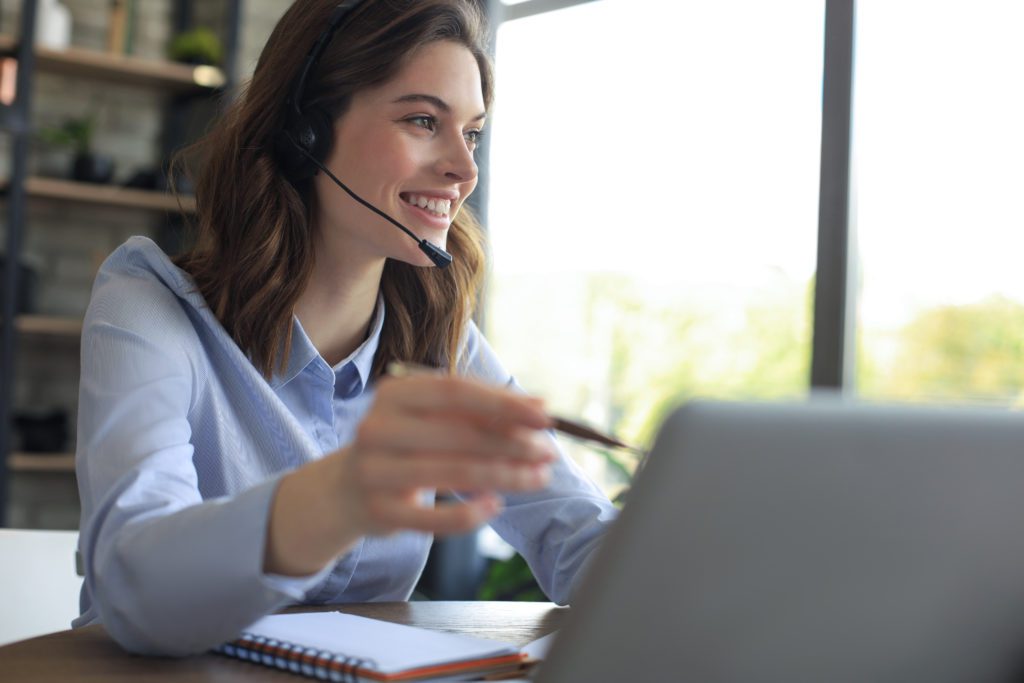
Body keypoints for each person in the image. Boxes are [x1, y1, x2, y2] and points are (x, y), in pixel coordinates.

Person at [72, 0, 616, 657]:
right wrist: (337, 494)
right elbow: (138, 590)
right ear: (306, 131)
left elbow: (574, 531)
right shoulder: (149, 303)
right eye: (423, 120)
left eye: (470, 133)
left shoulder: (436, 335)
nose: (463, 169)